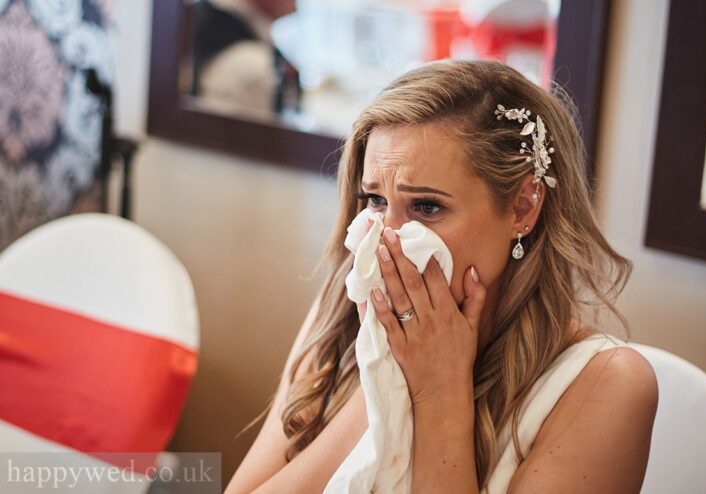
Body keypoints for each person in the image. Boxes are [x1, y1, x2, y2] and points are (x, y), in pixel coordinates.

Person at [225, 59, 658, 493]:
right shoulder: (342, 313)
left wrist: (439, 394)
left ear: (523, 207)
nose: (385, 240)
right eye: (376, 201)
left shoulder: (608, 384)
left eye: (427, 207)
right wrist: (383, 379)